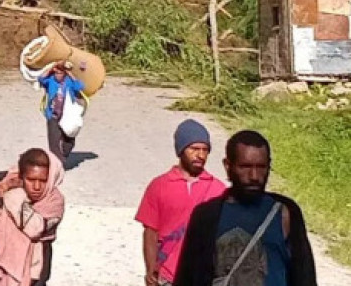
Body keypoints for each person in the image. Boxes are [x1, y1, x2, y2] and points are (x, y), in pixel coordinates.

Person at [174, 130, 317, 286]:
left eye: (261, 167)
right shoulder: (206, 216)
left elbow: (304, 275)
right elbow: (187, 277)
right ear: (228, 166)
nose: (254, 176)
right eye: (245, 166)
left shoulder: (285, 213)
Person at [136, 120, 227, 286]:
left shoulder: (218, 190)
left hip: (205, 277)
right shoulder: (159, 186)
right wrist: (150, 270)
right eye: (194, 149)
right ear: (180, 151)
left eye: (205, 150)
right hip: (167, 277)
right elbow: (151, 232)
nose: (200, 155)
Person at [0, 148, 65, 286]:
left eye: (43, 181)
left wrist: (15, 196)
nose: (37, 187)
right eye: (31, 180)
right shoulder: (5, 192)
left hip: (35, 268)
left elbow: (35, 228)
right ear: (21, 178)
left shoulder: (53, 201)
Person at [38, 61, 84, 164]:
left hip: (67, 116)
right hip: (53, 114)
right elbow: (40, 79)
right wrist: (51, 68)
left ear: (64, 74)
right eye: (57, 73)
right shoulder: (50, 81)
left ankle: (63, 156)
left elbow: (80, 86)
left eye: (60, 73)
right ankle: (57, 162)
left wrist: (70, 74)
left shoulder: (68, 82)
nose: (58, 75)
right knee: (53, 141)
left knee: (69, 141)